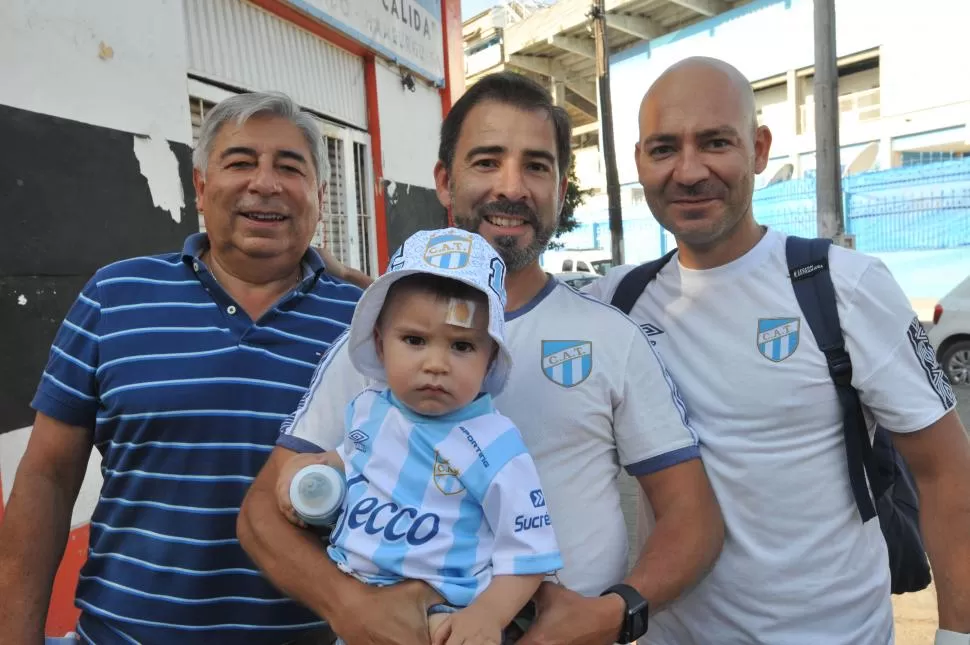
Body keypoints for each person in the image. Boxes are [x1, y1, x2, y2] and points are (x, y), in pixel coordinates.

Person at [238, 71, 724, 645]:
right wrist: (348, 605)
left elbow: (694, 520)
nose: (512, 187)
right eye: (487, 161)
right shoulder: (374, 343)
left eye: (537, 166)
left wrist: (614, 613)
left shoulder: (611, 338)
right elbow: (261, 514)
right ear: (444, 180)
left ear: (560, 192)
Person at [585, 56, 970, 644]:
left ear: (759, 150)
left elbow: (946, 472)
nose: (689, 171)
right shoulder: (615, 304)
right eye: (663, 149)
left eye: (715, 142)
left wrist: (956, 635)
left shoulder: (844, 286)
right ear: (639, 161)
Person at [0, 91, 362, 644]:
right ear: (200, 187)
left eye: (290, 167)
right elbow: (47, 476)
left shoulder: (368, 326)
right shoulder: (115, 296)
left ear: (319, 193)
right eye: (241, 162)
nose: (264, 183)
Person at [276, 227, 563, 645]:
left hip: (443, 618)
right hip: (358, 604)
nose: (436, 364)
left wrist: (488, 614)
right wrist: (312, 469)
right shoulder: (370, 409)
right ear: (379, 343)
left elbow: (530, 553)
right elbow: (352, 456)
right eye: (414, 340)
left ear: (490, 358)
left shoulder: (494, 445)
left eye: (462, 346)